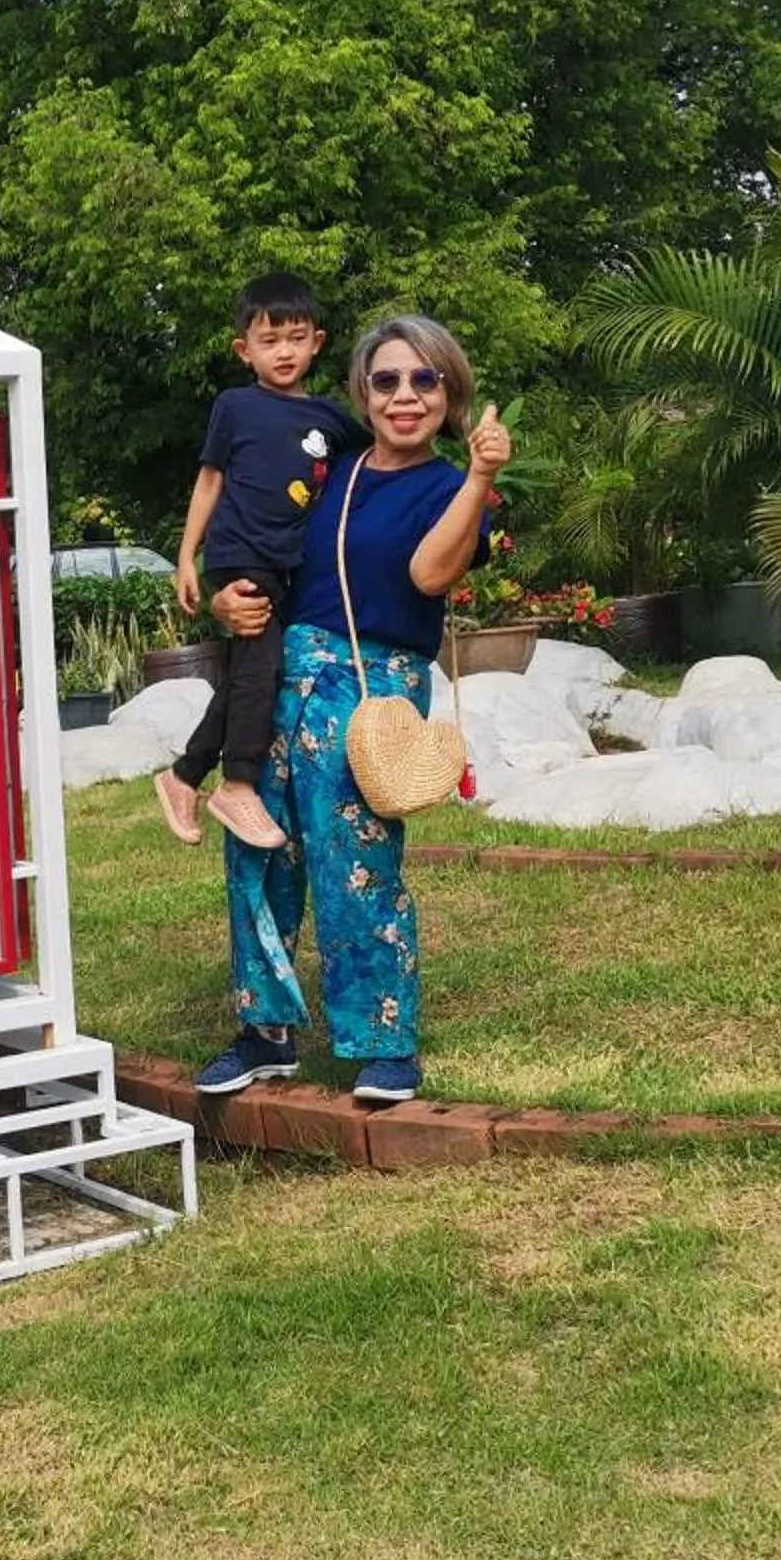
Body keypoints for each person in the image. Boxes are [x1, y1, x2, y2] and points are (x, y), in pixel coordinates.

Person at [191, 317, 510, 1107]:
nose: (405, 396)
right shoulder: (326, 469)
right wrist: (231, 600)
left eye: (424, 380)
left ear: (449, 391)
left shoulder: (454, 488)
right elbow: (264, 545)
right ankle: (263, 1032)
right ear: (363, 394)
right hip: (282, 669)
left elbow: (430, 576)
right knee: (258, 852)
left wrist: (476, 480)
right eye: (387, 381)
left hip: (372, 680)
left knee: (354, 856)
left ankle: (381, 1038)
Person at [153, 272, 367, 852]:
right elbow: (209, 480)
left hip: (290, 566)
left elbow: (377, 457)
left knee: (255, 671)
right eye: (269, 341)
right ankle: (238, 784)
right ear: (244, 350)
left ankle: (184, 775)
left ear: (317, 342)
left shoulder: (330, 420)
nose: (284, 351)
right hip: (239, 552)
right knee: (261, 667)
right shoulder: (236, 406)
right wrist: (186, 556)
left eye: (296, 338)